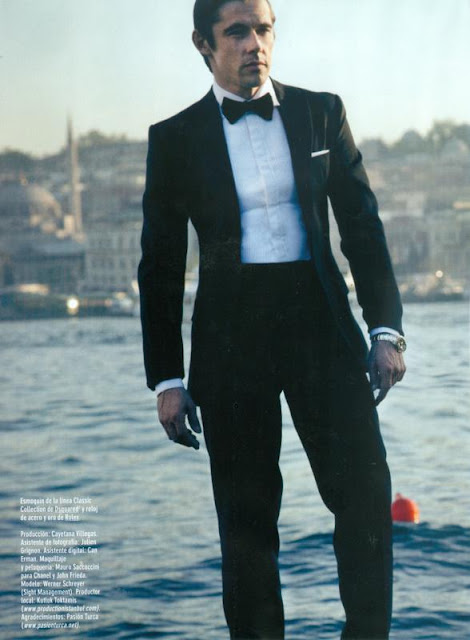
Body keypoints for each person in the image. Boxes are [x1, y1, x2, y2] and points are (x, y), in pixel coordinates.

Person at [138, 1, 406, 637]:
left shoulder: (322, 111)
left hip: (322, 328)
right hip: (231, 339)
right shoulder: (174, 138)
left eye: (263, 29)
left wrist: (386, 331)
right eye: (237, 32)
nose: (254, 43)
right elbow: (160, 265)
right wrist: (167, 379)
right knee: (247, 524)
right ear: (204, 44)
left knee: (366, 499)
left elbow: (363, 228)